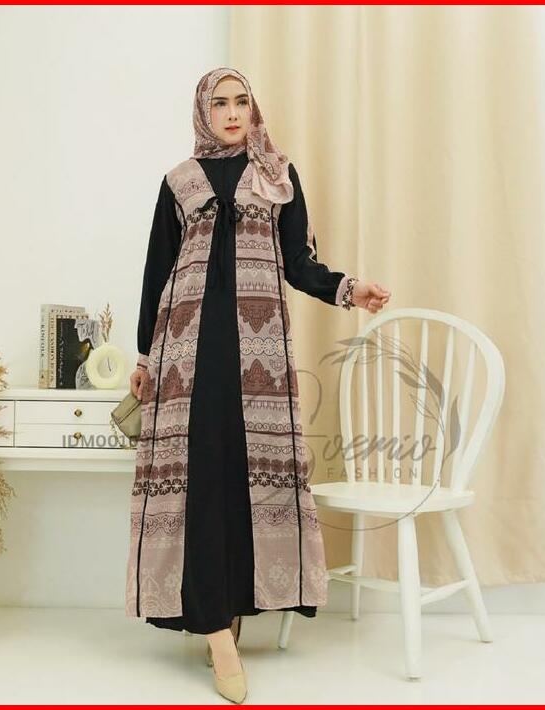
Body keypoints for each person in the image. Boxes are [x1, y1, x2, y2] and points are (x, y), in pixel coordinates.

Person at [126, 67, 391, 704]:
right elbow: (158, 270)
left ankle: (227, 606)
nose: (232, 112)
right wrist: (144, 354)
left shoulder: (277, 174)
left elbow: (298, 263)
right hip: (186, 355)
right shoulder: (179, 182)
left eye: (241, 101)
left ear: (253, 108)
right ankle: (218, 635)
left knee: (243, 483)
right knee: (200, 482)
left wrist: (349, 289)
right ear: (203, 111)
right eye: (219, 103)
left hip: (258, 358)